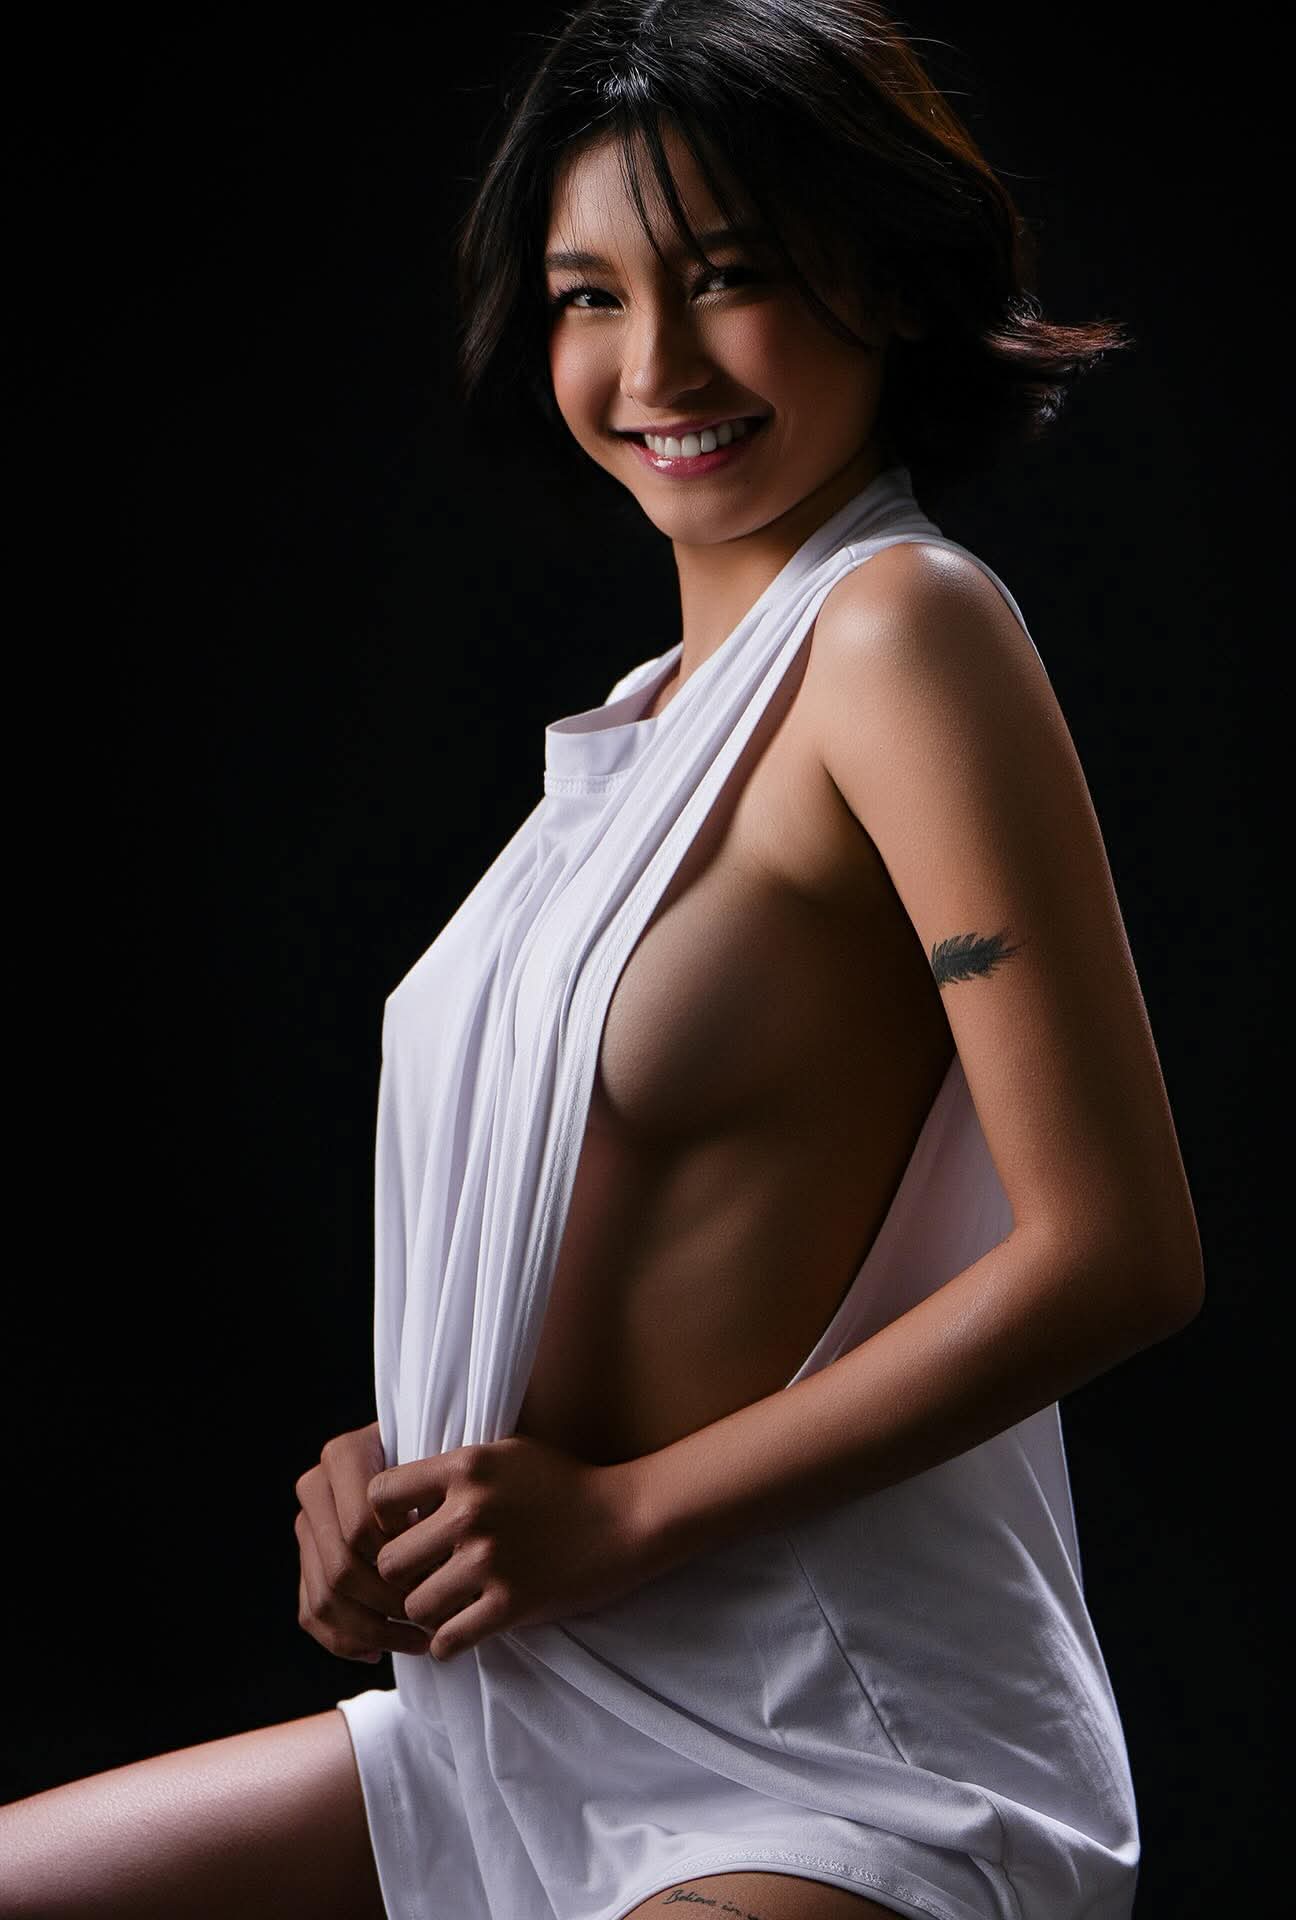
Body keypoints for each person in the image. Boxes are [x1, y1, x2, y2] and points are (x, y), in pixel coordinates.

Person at [0, 5, 1205, 1917]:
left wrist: (619, 1513)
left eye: (729, 278)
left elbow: (1118, 1251)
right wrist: (397, 1469)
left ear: (882, 282)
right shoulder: (646, 728)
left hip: (821, 1746)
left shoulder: (900, 632)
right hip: (518, 1701)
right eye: (591, 297)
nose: (656, 367)